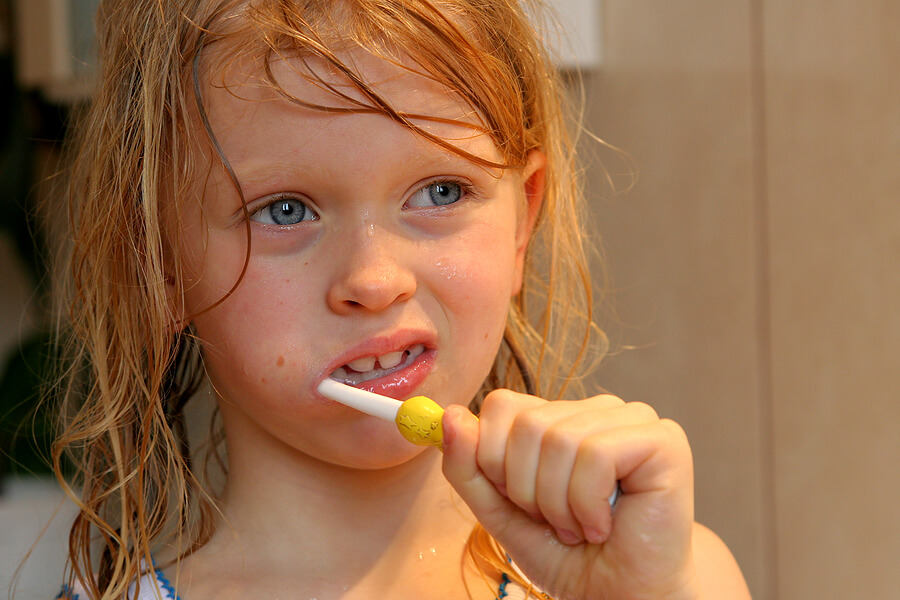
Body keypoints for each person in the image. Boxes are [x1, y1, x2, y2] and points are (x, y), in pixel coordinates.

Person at [50, 0, 751, 598]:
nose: (375, 279)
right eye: (286, 210)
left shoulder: (674, 577)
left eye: (441, 192)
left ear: (521, 225)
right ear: (161, 263)